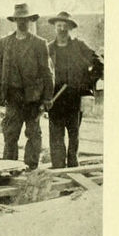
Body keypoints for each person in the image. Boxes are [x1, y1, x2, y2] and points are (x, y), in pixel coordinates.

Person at [0, 3, 54, 169]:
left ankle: (31, 167)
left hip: (33, 97)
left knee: (34, 133)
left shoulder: (39, 43)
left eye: (25, 19)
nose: (23, 23)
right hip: (13, 97)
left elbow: (46, 72)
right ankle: (9, 167)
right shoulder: (5, 42)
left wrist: (48, 97)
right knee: (10, 133)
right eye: (19, 19)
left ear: (30, 21)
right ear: (15, 20)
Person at [46, 11, 104, 168]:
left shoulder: (79, 46)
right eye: (59, 25)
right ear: (54, 28)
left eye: (65, 26)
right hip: (55, 100)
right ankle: (58, 168)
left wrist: (86, 82)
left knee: (73, 137)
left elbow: (99, 63)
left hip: (74, 99)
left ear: (70, 28)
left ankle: (73, 168)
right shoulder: (48, 49)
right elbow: (41, 73)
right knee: (56, 138)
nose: (62, 29)